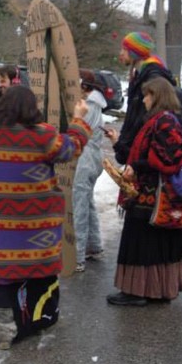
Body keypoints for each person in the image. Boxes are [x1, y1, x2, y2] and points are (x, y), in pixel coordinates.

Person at [0, 86, 91, 349]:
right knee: (39, 270)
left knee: (3, 273)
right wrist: (79, 119)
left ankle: (3, 327)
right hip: (35, 224)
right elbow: (72, 148)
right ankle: (38, 319)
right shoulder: (43, 136)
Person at [106, 77, 182, 307]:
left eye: (147, 95)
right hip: (154, 195)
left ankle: (138, 292)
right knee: (156, 243)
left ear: (157, 97)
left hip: (154, 196)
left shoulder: (165, 122)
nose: (143, 99)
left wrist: (137, 167)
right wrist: (118, 144)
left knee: (141, 242)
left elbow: (168, 159)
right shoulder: (160, 121)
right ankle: (158, 290)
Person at [105, 31, 182, 165]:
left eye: (125, 49)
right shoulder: (140, 75)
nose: (121, 53)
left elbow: (151, 121)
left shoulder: (153, 79)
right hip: (136, 154)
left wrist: (137, 158)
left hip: (143, 160)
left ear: (135, 53)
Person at [73, 69, 108, 272]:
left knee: (79, 206)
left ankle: (76, 256)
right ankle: (94, 247)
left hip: (85, 160)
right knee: (87, 203)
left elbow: (78, 131)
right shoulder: (96, 104)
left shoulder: (88, 106)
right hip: (92, 159)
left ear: (84, 87)